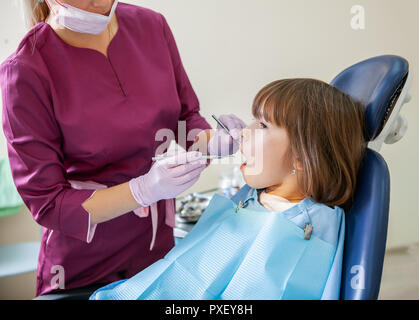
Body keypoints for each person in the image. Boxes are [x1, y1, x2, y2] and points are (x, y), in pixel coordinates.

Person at [0, 0, 245, 297]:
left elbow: (185, 116)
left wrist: (214, 143)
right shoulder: (25, 71)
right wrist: (142, 190)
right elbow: (49, 203)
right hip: (85, 271)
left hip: (158, 255)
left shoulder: (152, 26)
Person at [89, 78, 367, 300]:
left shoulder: (305, 231)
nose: (245, 131)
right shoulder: (257, 196)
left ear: (303, 157)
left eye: (263, 125)